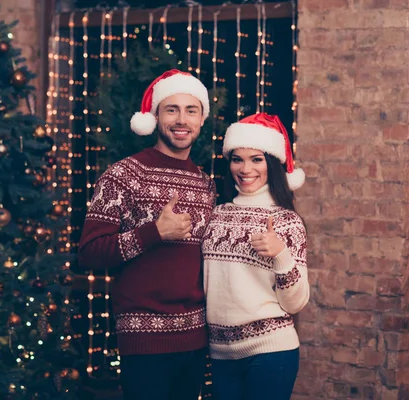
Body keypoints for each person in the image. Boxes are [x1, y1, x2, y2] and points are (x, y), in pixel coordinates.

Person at [78, 69, 216, 400]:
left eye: (191, 110)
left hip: (196, 338)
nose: (181, 120)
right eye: (172, 109)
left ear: (201, 121)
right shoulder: (124, 175)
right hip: (144, 341)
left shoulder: (205, 183)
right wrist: (154, 232)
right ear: (155, 117)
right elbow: (90, 253)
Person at [202, 112, 309, 400]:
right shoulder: (216, 215)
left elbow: (296, 302)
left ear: (271, 164)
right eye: (237, 159)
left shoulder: (286, 221)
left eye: (256, 159)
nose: (245, 168)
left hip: (271, 351)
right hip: (221, 355)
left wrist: (282, 255)